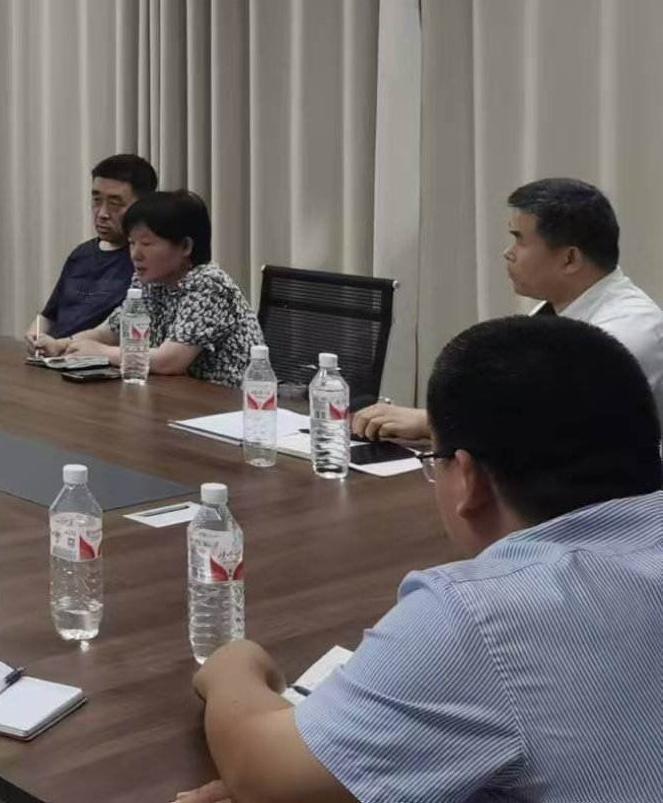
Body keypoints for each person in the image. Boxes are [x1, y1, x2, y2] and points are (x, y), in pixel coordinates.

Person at [182, 315, 663, 803]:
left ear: (468, 480)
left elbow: (263, 773)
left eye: (434, 461)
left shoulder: (484, 613)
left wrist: (232, 667)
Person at [356, 176, 663, 445]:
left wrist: (430, 423)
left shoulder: (629, 331)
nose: (508, 253)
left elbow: (553, 427)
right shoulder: (554, 311)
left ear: (569, 259)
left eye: (519, 240)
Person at [66, 191, 262, 386]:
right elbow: (112, 330)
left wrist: (101, 352)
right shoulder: (150, 280)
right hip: (175, 392)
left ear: (185, 246)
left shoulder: (209, 285)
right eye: (132, 243)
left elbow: (170, 361)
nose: (135, 254)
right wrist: (66, 345)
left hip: (227, 399)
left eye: (146, 243)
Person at [28, 153, 157, 355]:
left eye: (115, 203)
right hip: (56, 358)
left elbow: (120, 332)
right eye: (96, 200)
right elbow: (48, 316)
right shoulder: (81, 254)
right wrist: (34, 335)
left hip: (100, 362)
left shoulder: (147, 262)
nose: (102, 213)